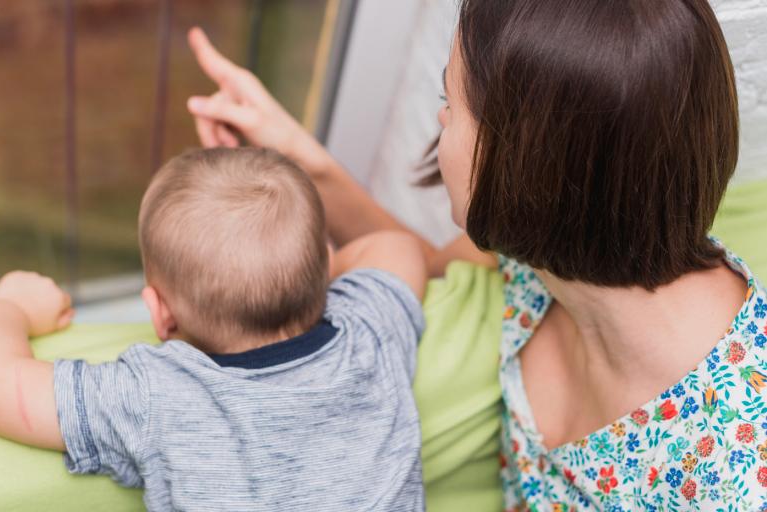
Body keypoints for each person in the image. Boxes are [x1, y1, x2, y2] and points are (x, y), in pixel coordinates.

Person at [186, 0, 767, 509]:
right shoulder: (565, 246)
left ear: (529, 169)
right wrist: (297, 157)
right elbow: (430, 261)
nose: (440, 117)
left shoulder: (735, 476)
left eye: (451, 102)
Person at [0, 147, 429, 511]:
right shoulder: (371, 334)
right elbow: (395, 248)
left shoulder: (157, 395)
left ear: (161, 314)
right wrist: (311, 280)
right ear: (324, 268)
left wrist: (11, 303)